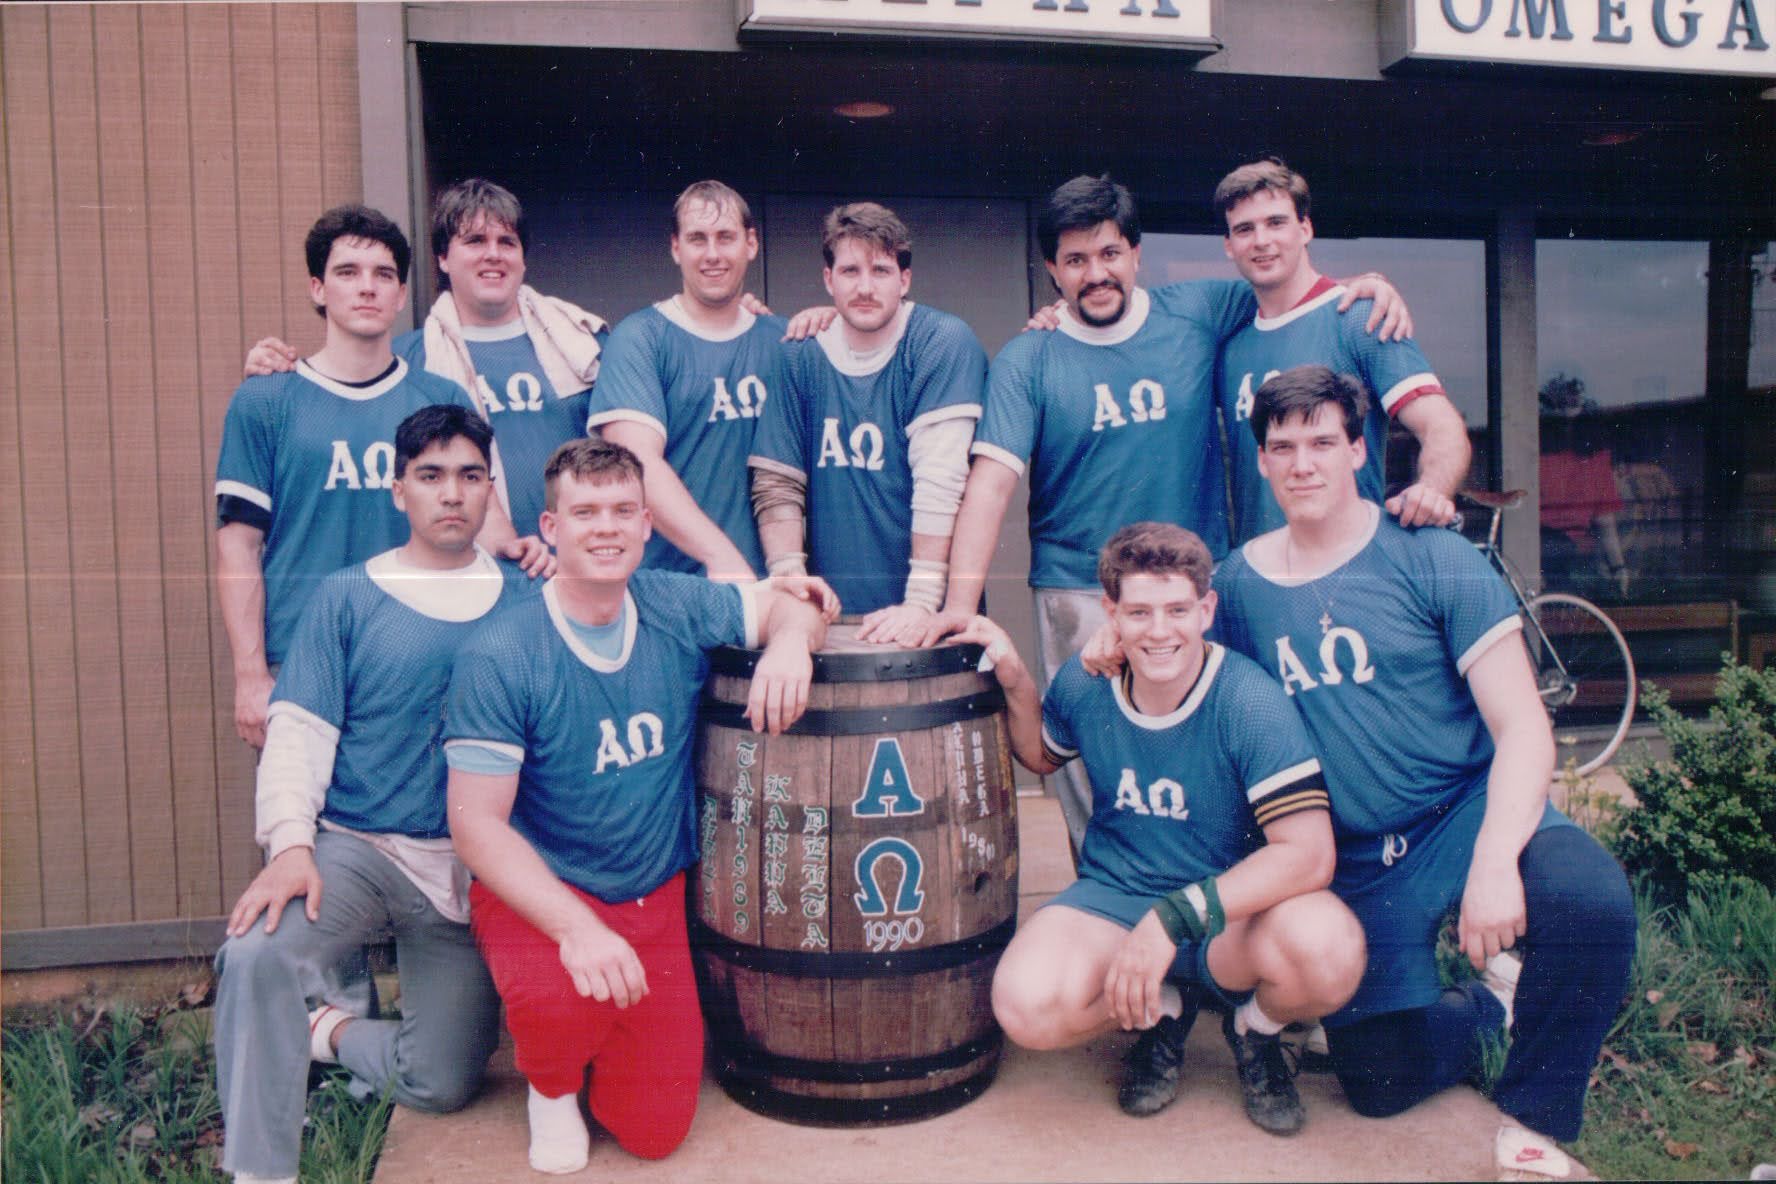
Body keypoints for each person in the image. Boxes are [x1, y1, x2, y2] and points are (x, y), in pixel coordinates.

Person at [1204, 366, 1635, 1179]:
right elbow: (1182, 689)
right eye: (1282, 446)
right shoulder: (1236, 586)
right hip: (1362, 855)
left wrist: (1496, 862)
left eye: (1323, 442)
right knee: (1376, 1081)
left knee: (1590, 902)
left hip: (1466, 806)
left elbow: (1523, 727)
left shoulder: (1432, 555)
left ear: (1358, 450)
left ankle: (1534, 1119)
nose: (1303, 463)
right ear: (1260, 460)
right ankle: (1488, 1007)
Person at [922, 174, 1409, 853]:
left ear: (1136, 254)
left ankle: (1211, 922)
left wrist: (1366, 291)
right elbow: (990, 485)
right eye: (1076, 261)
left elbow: (1291, 284)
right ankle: (1110, 904)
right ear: (1050, 270)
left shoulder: (1202, 309)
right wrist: (963, 605)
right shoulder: (1028, 358)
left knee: (1210, 758)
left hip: (1196, 589)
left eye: (1110, 254)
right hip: (1080, 591)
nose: (1096, 274)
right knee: (1096, 772)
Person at [443, 438, 833, 1173]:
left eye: (624, 510)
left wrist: (790, 649)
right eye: (585, 512)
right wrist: (577, 930)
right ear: (551, 529)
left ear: (648, 524)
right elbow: (475, 828)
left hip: (653, 895)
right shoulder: (501, 652)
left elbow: (793, 605)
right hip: (543, 893)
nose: (607, 527)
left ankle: (599, 1037)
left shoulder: (669, 602)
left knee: (654, 1131)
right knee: (558, 1008)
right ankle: (553, 1085)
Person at [959, 522, 1363, 1135]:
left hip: (1227, 916)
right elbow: (1041, 757)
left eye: (1177, 609)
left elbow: (1308, 856)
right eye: (1139, 611)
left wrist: (1172, 920)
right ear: (1110, 613)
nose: (1159, 630)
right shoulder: (1086, 683)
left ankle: (1256, 1028)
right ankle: (1163, 1010)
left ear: (1206, 610)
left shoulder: (1248, 701)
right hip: (1118, 898)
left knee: (1330, 949)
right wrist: (1016, 679)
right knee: (1025, 1004)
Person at [213, 405, 529, 1184]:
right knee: (254, 955)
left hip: (469, 867)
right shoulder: (349, 596)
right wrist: (290, 846)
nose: (451, 494)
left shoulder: (529, 599)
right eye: (430, 477)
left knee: (445, 1081)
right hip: (360, 848)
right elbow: (298, 731)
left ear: (492, 490)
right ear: (398, 491)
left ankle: (326, 1030)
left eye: (469, 476)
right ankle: (259, 1172)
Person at [215, 204, 481, 752]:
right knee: (300, 830)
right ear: (317, 289)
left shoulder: (441, 398)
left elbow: (480, 527)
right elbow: (238, 548)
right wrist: (250, 675)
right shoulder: (266, 400)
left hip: (425, 654)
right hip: (302, 658)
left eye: (384, 275)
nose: (367, 288)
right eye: (347, 273)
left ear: (402, 295)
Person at [244, 177, 597, 566]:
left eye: (507, 242)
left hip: (570, 565)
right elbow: (339, 390)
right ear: (443, 258)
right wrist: (274, 369)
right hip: (471, 575)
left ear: (524, 257)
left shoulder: (583, 347)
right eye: (475, 241)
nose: (493, 255)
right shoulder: (408, 361)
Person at [749, 202, 987, 639]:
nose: (865, 287)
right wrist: (792, 587)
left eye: (880, 270)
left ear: (905, 279)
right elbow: (776, 482)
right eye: (849, 271)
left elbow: (941, 482)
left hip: (925, 611)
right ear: (828, 279)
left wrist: (920, 604)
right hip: (828, 612)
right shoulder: (798, 353)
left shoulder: (940, 341)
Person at [1213, 158, 1471, 543]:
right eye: (1245, 229)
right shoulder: (1231, 344)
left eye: (1276, 222)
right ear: (1229, 246)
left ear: (1305, 229)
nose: (1261, 240)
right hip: (1261, 576)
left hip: (1350, 571)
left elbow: (1442, 427)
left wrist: (1431, 490)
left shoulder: (1358, 316)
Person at [587, 181, 787, 581]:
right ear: (676, 248)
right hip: (669, 587)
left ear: (751, 243)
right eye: (698, 239)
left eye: (725, 237)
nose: (712, 254)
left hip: (772, 587)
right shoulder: (641, 337)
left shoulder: (784, 341)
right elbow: (636, 462)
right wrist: (723, 559)